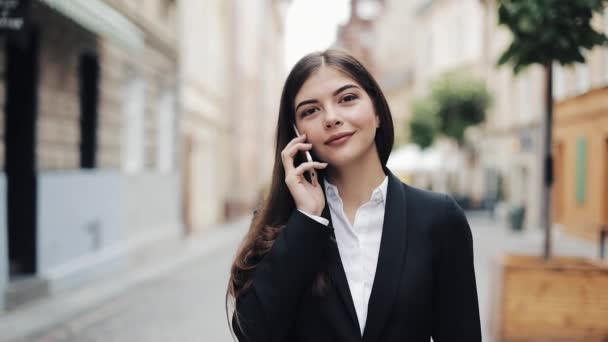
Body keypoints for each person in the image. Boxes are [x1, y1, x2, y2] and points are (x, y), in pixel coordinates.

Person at [226, 49, 481, 342]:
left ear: (377, 111)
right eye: (311, 111)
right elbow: (252, 333)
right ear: (297, 134)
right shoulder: (283, 223)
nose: (331, 118)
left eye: (347, 99)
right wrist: (308, 220)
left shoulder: (439, 219)